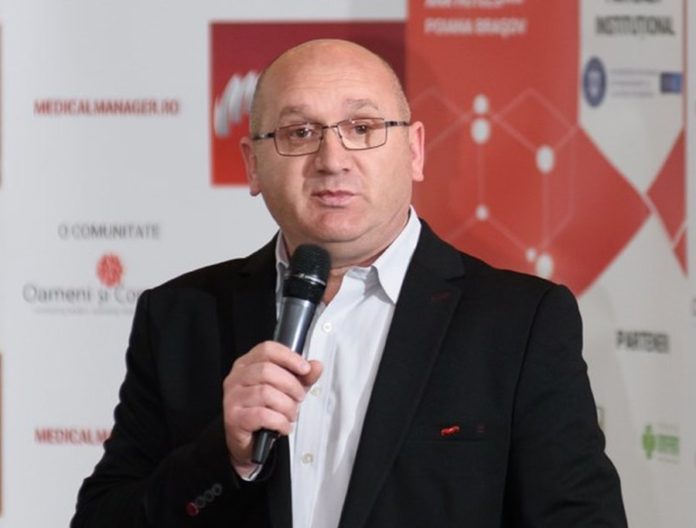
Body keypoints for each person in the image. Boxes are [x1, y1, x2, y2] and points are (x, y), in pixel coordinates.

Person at [71, 39, 627, 527]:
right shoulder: (179, 316)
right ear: (253, 164)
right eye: (299, 132)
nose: (332, 159)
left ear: (414, 150)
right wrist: (225, 456)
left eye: (362, 128)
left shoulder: (520, 323)